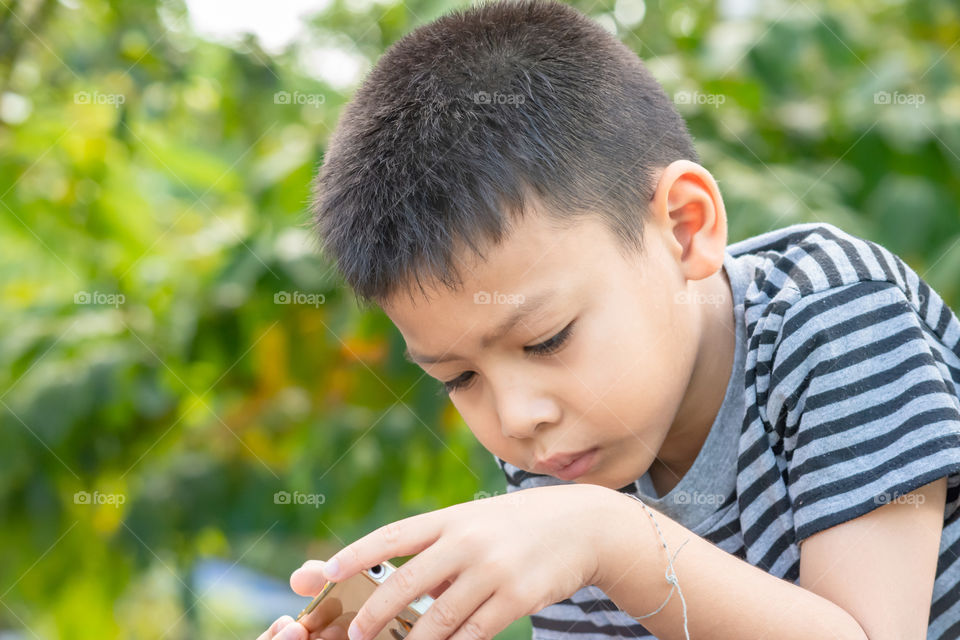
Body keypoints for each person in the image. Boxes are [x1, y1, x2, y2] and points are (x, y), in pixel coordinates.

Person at [258, 1, 960, 638]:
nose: (517, 418)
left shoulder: (833, 311)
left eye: (547, 339)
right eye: (459, 377)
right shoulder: (563, 462)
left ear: (686, 227)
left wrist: (610, 538)